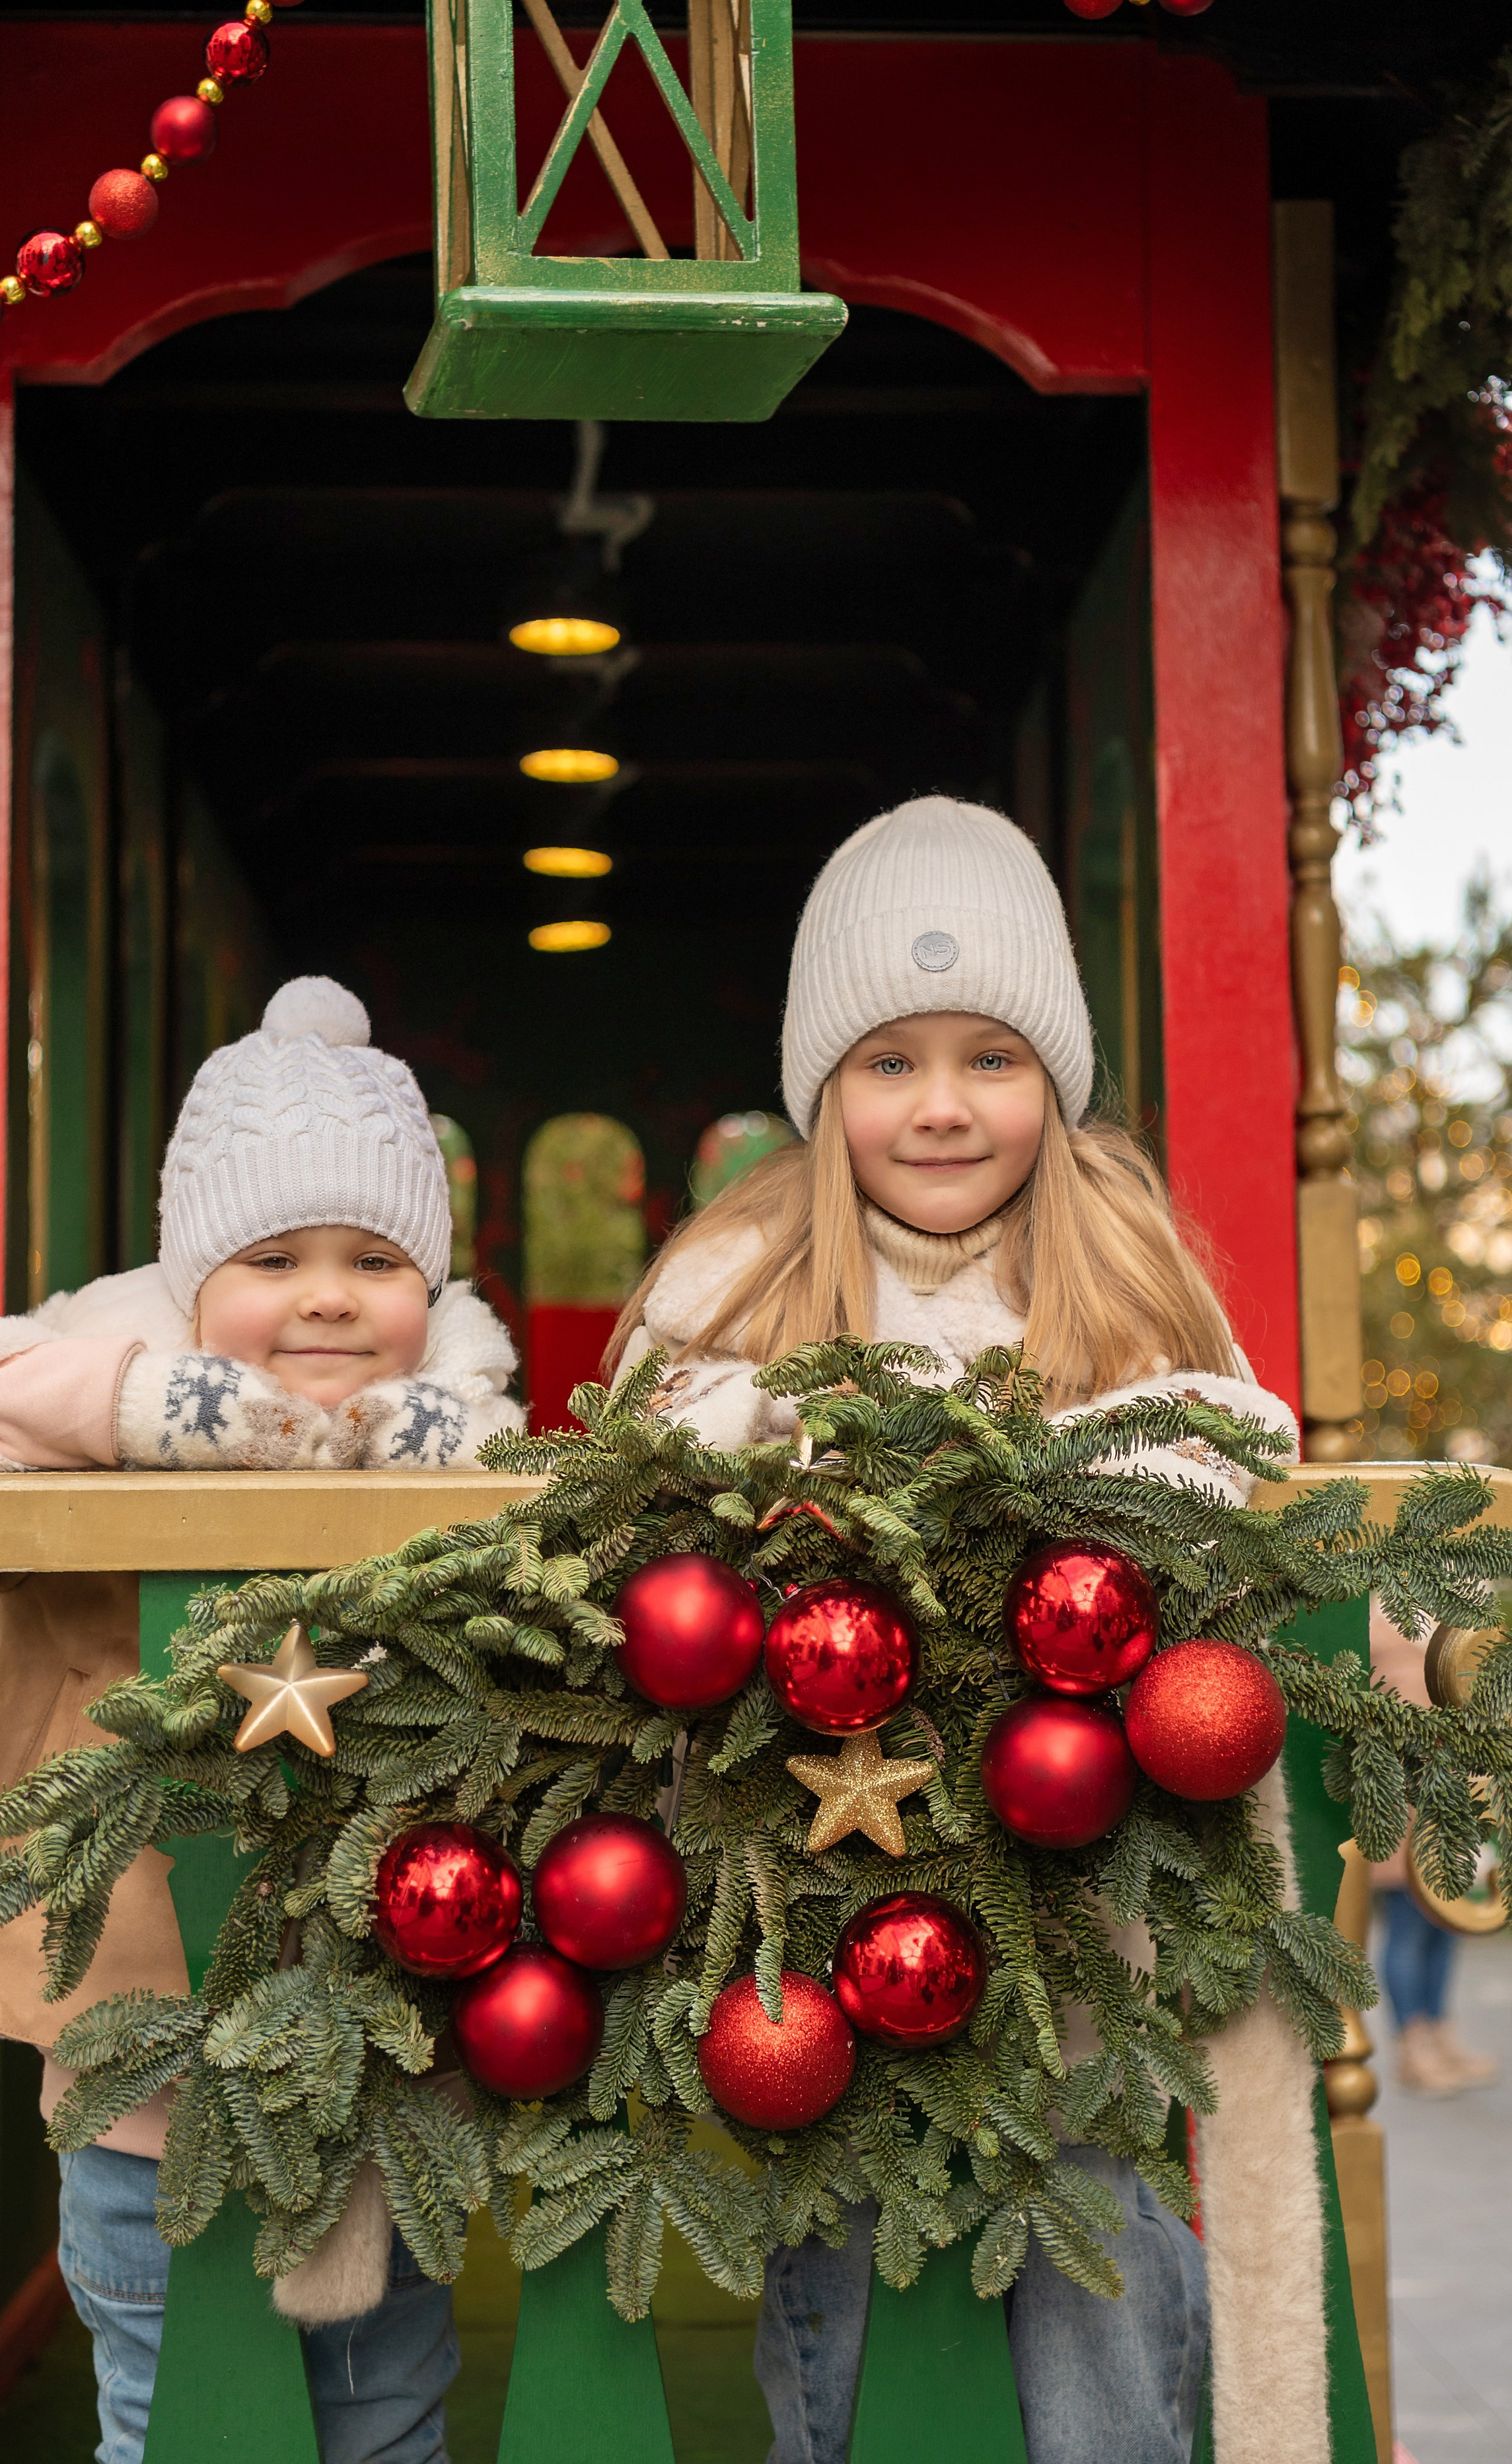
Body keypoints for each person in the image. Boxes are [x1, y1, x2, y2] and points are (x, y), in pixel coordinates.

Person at [608, 800, 1320, 2464]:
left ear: (1050, 1080)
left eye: (989, 1055)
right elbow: (651, 1448)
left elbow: (1232, 1432)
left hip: (1082, 1941)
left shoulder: (1117, 1267)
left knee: (1103, 2313)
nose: (939, 1104)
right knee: (840, 2330)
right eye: (889, 1059)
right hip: (830, 1932)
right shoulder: (739, 1274)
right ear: (820, 1088)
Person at [0, 975, 523, 2464]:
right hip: (148, 2063)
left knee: (392, 2405)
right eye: (273, 1255)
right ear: (190, 1278)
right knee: (168, 2405)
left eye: (375, 1257)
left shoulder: (451, 1444)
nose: (328, 1293)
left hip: (396, 2051)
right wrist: (143, 1406)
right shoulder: (90, 1386)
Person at [1366, 1605, 1500, 2095]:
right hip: (1404, 1805)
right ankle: (1413, 2046)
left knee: (1447, 1924)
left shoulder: (1446, 1618)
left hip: (1449, 1802)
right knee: (1409, 1924)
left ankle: (1441, 2033)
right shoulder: (1377, 1627)